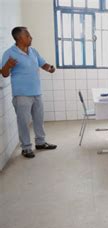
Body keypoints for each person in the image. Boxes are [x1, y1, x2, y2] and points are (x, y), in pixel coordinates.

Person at [1, 26, 57, 158]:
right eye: (28, 36)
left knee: (38, 119)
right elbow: (4, 74)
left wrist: (50, 68)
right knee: (23, 122)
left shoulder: (33, 51)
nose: (31, 38)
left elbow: (42, 64)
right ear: (19, 38)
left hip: (37, 92)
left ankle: (40, 142)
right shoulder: (9, 53)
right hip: (21, 95)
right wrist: (8, 65)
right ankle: (26, 147)